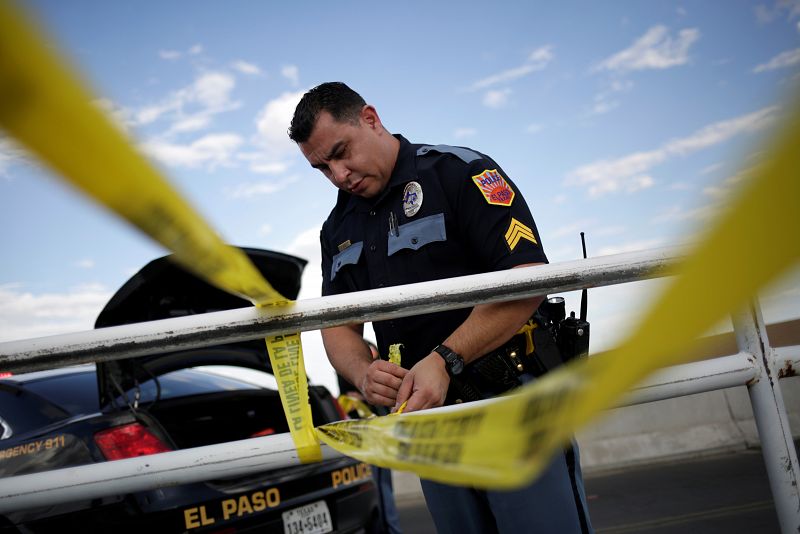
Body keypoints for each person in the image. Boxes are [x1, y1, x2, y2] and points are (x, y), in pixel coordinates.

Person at [289, 81, 592, 534]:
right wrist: (363, 373)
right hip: (428, 426)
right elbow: (337, 326)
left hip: (511, 405)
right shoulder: (337, 228)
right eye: (322, 168)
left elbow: (527, 279)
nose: (338, 175)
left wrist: (445, 360)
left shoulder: (459, 173)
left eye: (341, 152)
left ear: (370, 119)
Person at [337, 340, 402, 534]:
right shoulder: (350, 357)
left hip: (375, 431)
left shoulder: (366, 349)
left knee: (381, 488)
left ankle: (389, 529)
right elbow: (347, 392)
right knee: (375, 490)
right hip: (362, 433)